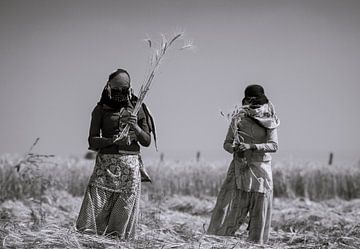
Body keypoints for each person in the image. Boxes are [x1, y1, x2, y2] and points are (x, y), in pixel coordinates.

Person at [76, 68, 156, 239]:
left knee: (123, 211)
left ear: (130, 88)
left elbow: (147, 141)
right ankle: (88, 241)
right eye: (117, 89)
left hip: (130, 171)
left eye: (124, 89)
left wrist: (135, 127)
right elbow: (92, 140)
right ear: (109, 87)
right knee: (95, 207)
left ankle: (116, 242)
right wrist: (112, 140)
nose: (121, 93)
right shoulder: (100, 110)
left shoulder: (138, 108)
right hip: (105, 169)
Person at [207, 84, 280, 244]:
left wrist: (252, 146)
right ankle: (219, 242)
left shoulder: (270, 119)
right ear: (245, 100)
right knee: (232, 210)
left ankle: (257, 244)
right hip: (240, 171)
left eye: (256, 102)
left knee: (259, 213)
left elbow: (274, 146)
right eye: (250, 101)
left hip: (261, 173)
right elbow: (226, 143)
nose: (253, 105)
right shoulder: (238, 118)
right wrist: (235, 149)